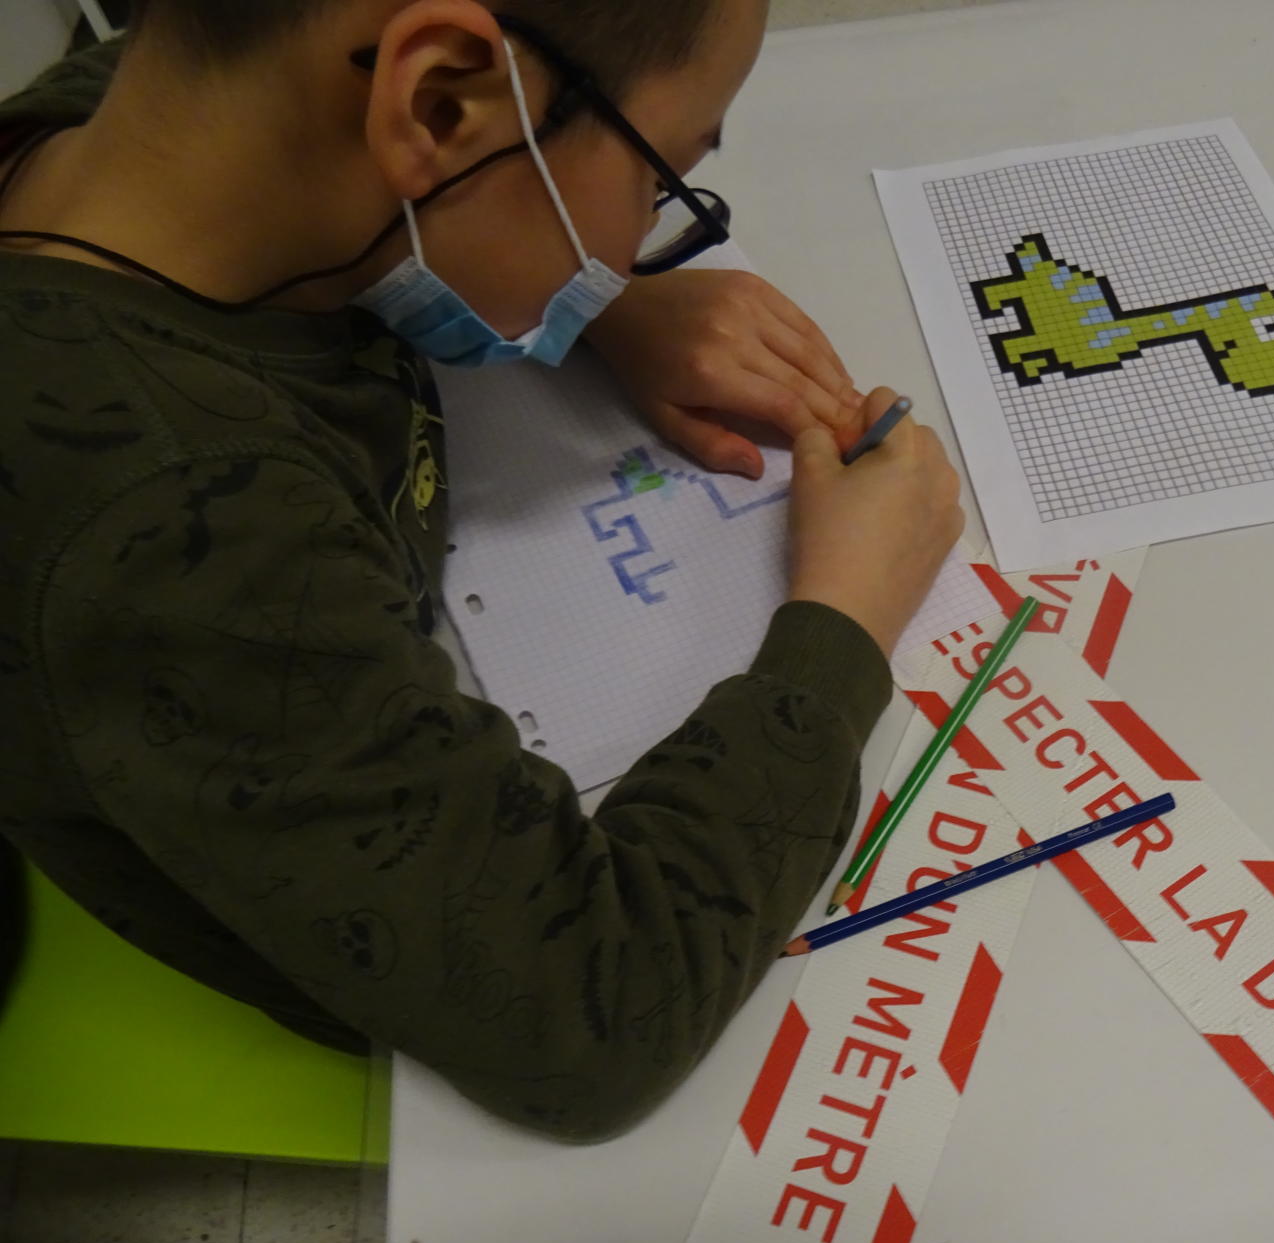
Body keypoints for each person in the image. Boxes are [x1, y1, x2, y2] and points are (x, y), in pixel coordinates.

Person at [0, 0, 963, 1140]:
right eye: (657, 182)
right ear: (443, 103)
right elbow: (594, 1016)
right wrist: (844, 618)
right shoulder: (164, 527)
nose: (637, 240)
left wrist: (589, 304)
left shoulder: (136, 117)